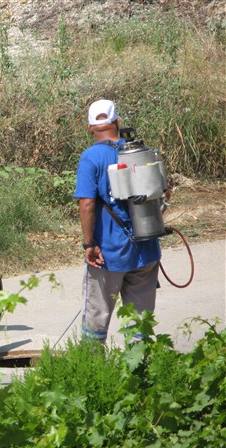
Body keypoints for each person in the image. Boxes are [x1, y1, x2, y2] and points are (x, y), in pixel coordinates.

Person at [74, 99, 162, 343]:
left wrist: (89, 244)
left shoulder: (91, 157)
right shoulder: (139, 151)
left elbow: (87, 203)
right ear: (117, 122)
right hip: (146, 248)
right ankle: (140, 364)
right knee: (140, 323)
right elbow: (161, 192)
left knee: (96, 320)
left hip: (109, 254)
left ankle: (92, 364)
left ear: (90, 128)